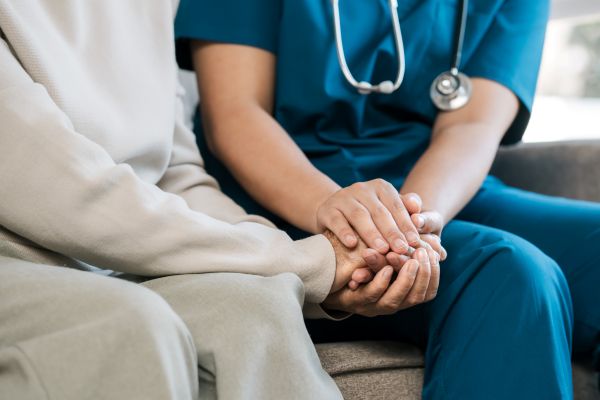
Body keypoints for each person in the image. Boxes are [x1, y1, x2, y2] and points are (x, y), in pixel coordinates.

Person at [0, 1, 438, 399]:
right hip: (19, 266)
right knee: (129, 323)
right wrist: (311, 262)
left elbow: (176, 175)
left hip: (114, 259)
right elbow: (75, 196)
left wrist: (334, 267)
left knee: (253, 305)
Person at [175, 0, 600, 398]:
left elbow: (470, 127)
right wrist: (342, 211)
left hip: (441, 190)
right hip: (286, 193)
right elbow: (234, 112)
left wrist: (410, 220)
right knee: (507, 270)